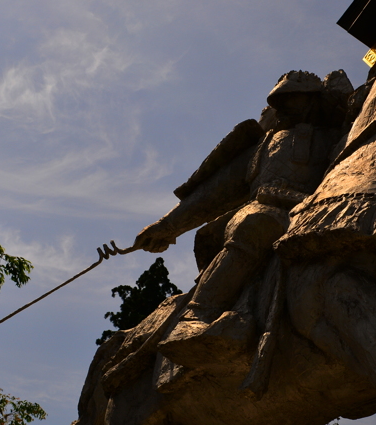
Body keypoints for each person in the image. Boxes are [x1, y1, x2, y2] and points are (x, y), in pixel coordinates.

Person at [129, 69, 352, 364]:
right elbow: (212, 194)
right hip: (265, 210)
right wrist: (167, 226)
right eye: (279, 102)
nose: (281, 108)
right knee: (256, 223)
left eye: (292, 99)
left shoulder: (337, 134)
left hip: (315, 210)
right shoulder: (262, 147)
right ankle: (197, 316)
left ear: (312, 100)